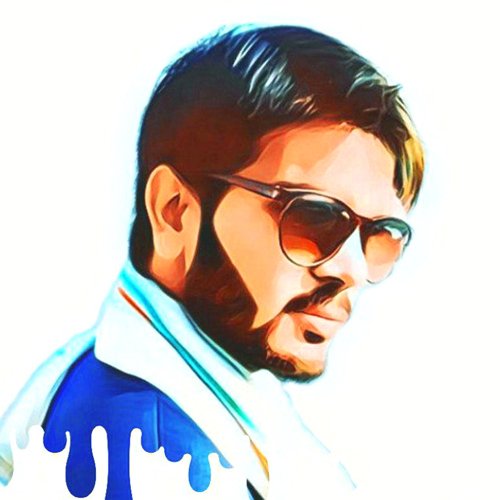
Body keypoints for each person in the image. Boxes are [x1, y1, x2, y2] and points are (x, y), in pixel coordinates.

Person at [0, 24, 424, 499]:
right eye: (314, 218)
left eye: (380, 236)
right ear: (174, 212)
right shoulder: (151, 459)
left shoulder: (211, 398)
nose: (352, 271)